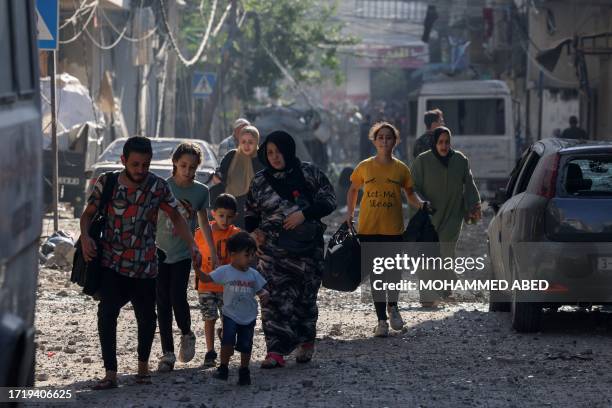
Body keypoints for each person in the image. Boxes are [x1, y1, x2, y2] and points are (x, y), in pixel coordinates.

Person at [80, 136, 202, 390]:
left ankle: (143, 368)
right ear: (124, 160)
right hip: (112, 263)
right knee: (107, 313)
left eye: (145, 165)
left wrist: (192, 244)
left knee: (147, 317)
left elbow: (176, 217)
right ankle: (110, 372)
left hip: (146, 265)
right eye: (135, 164)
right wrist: (85, 238)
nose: (140, 170)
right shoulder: (108, 182)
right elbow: (88, 215)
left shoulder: (157, 186)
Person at [245, 130, 336, 368]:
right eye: (270, 152)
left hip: (307, 250)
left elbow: (329, 200)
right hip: (272, 251)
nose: (275, 157)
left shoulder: (309, 173)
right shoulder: (260, 180)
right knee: (272, 299)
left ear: (289, 150)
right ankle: (275, 351)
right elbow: (251, 212)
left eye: (279, 151)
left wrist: (303, 215)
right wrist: (254, 233)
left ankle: (305, 341)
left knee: (304, 299)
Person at [346, 122, 427, 337]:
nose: (384, 141)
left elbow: (410, 194)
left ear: (395, 141)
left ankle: (394, 307)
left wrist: (421, 204)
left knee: (393, 273)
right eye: (380, 137)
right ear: (374, 141)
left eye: (388, 138)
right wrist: (350, 214)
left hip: (393, 230)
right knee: (377, 275)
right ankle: (381, 320)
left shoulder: (401, 169)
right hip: (369, 229)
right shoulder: (364, 167)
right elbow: (353, 189)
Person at [155, 142, 217, 372]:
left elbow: (203, 223)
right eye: (183, 165)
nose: (188, 171)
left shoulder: (201, 191)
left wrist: (210, 251)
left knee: (177, 295)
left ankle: (186, 332)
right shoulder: (162, 187)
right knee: (161, 300)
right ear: (174, 163)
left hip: (183, 251)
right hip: (159, 250)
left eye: (192, 167)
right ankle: (168, 353)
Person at [410, 126, 481, 306]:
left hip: (452, 215)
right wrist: (421, 203)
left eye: (447, 142)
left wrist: (474, 205)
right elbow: (413, 187)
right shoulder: (422, 161)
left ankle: (446, 290)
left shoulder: (460, 160)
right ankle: (427, 297)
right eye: (440, 142)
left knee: (446, 252)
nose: (444, 146)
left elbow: (469, 184)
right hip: (429, 216)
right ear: (434, 142)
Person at [197, 232, 269, 386]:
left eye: (252, 255)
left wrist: (264, 293)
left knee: (246, 345)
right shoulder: (225, 271)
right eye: (247, 255)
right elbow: (206, 278)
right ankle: (223, 368)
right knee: (227, 342)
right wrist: (197, 269)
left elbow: (260, 290)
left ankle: (244, 370)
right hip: (230, 314)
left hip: (248, 316)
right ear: (233, 255)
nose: (250, 259)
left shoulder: (253, 274)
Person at [194, 193, 241, 368]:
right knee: (209, 318)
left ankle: (224, 339)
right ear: (213, 213)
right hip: (206, 285)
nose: (225, 220)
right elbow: (195, 255)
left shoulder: (236, 234)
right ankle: (210, 351)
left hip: (227, 287)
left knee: (228, 318)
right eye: (221, 215)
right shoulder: (200, 233)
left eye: (229, 216)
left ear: (235, 216)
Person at [212, 125, 265, 228]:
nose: (246, 145)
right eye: (243, 141)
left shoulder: (261, 160)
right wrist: (217, 177)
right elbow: (220, 171)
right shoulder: (231, 156)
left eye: (250, 142)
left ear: (256, 142)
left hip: (252, 208)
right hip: (230, 206)